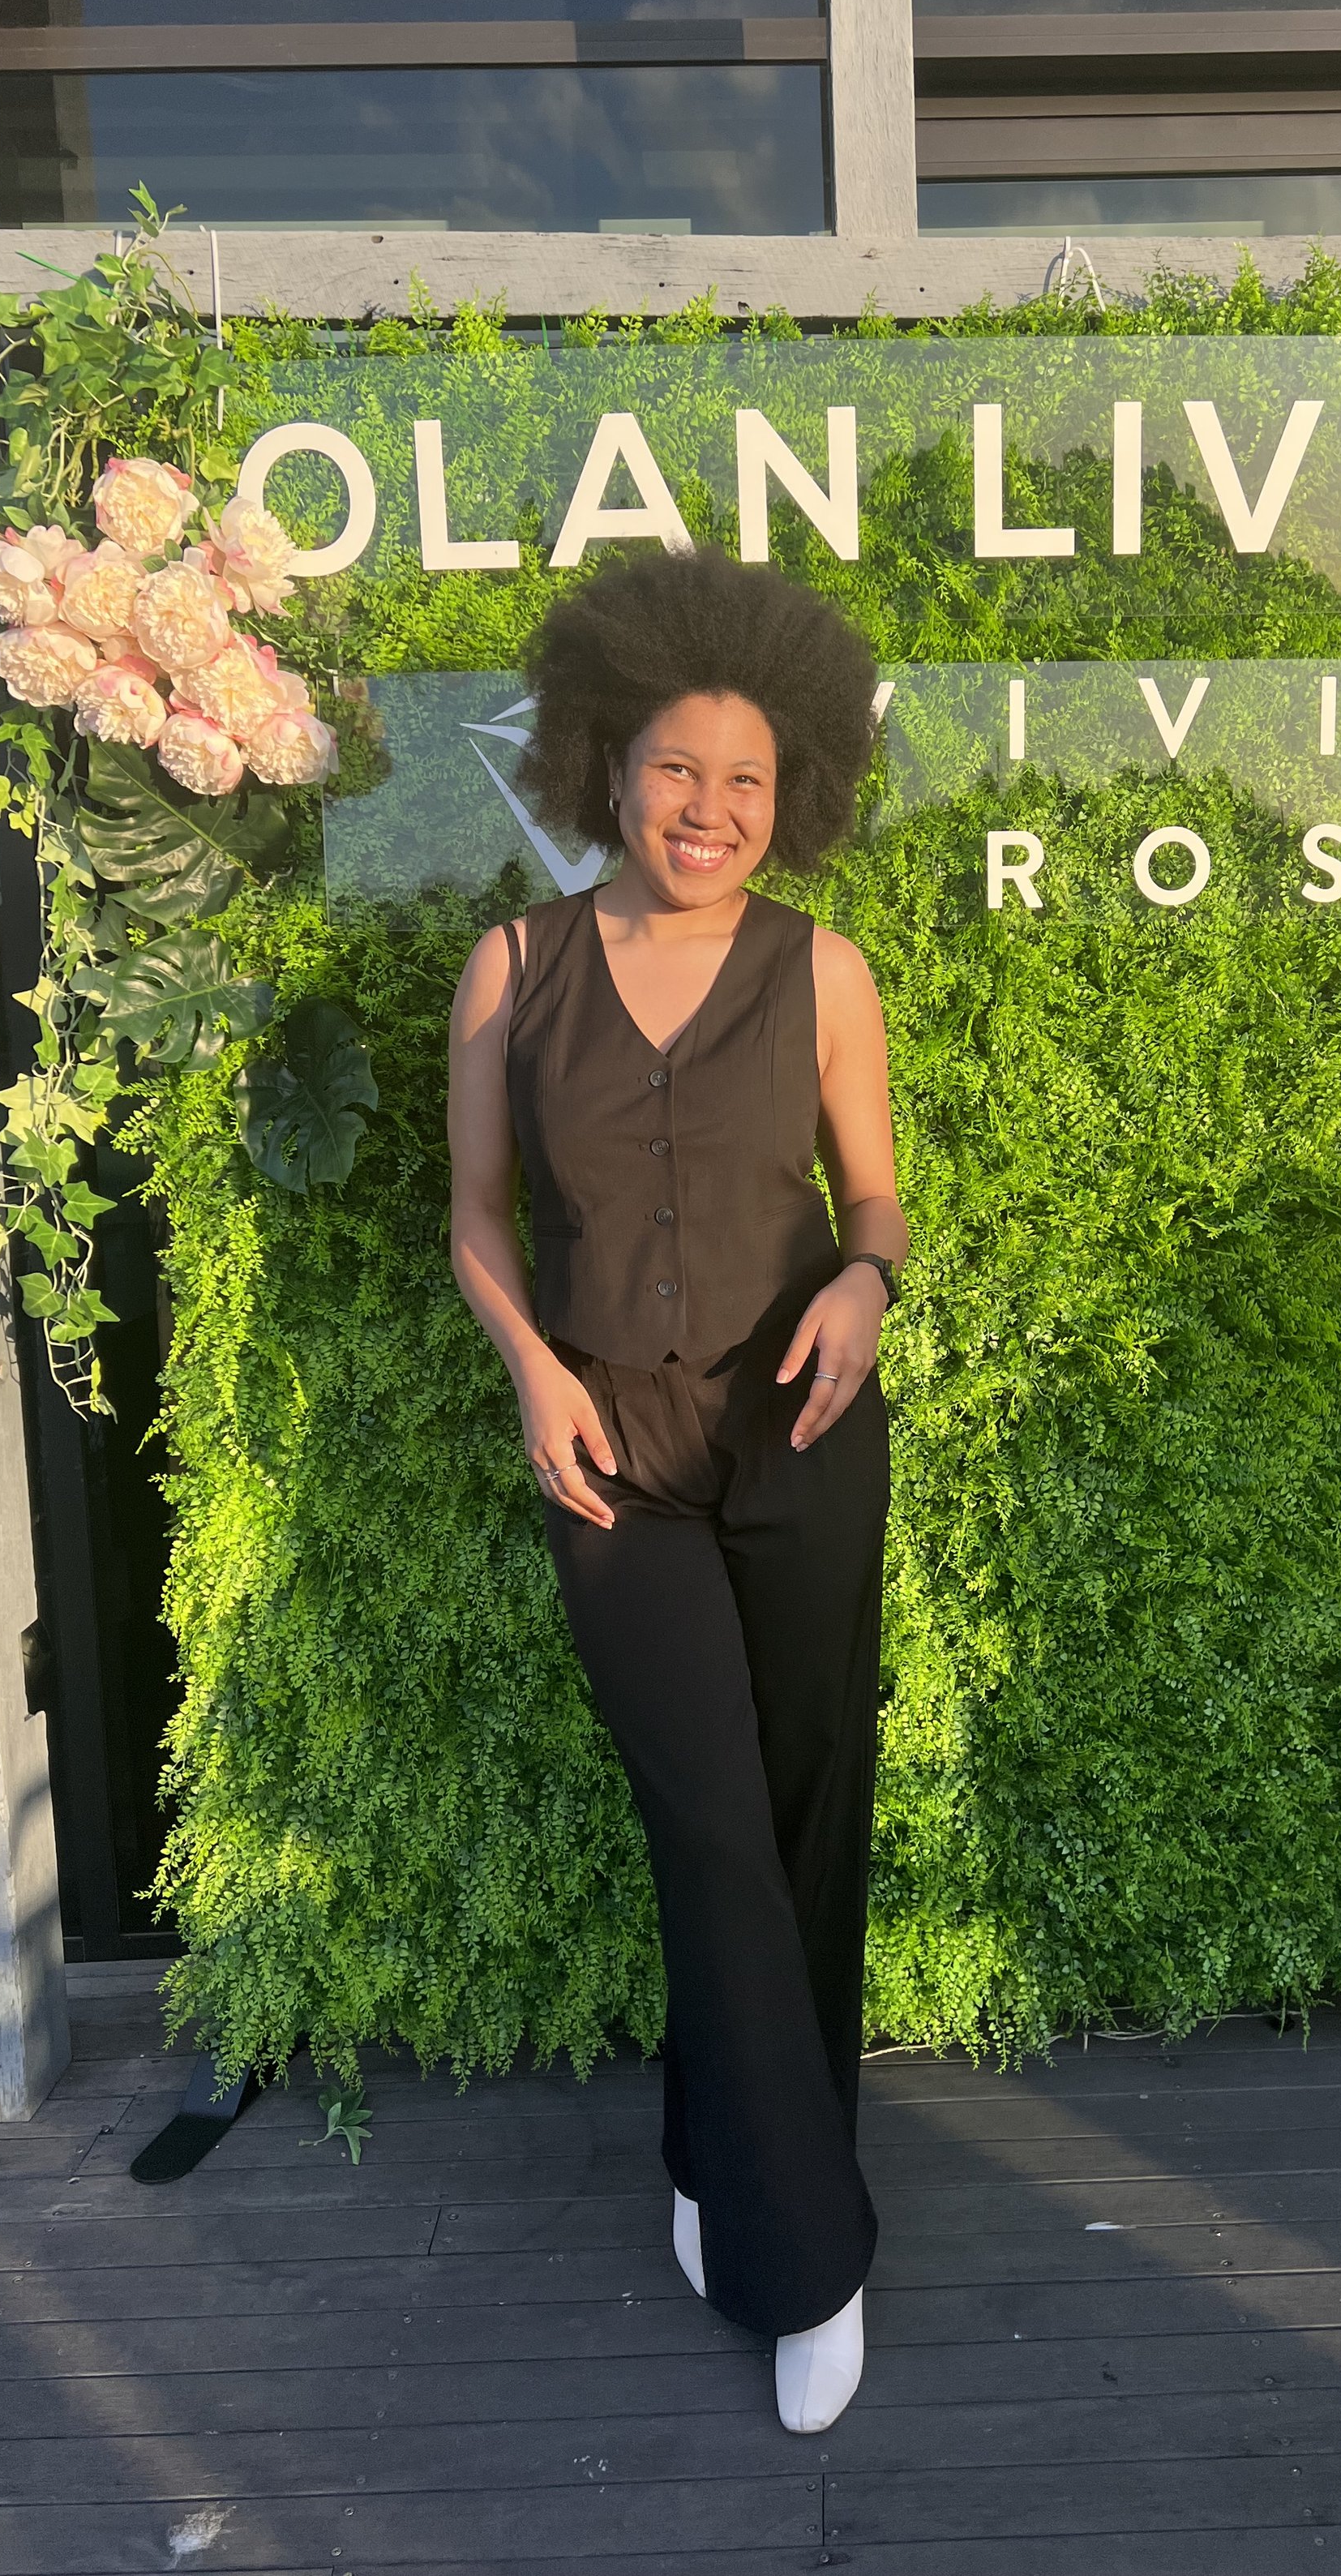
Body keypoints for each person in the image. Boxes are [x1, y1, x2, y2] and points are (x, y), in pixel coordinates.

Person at [446, 545, 905, 2436]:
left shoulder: (821, 968)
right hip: (606, 1449)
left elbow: (869, 1196)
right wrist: (533, 1368)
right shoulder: (516, 963)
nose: (709, 811)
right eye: (673, 773)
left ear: (783, 791)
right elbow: (474, 1215)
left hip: (797, 1428)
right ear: (604, 767)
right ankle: (813, 2260)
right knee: (708, 1821)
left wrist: (872, 1282)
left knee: (803, 1809)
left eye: (746, 782)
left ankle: (725, 2156)